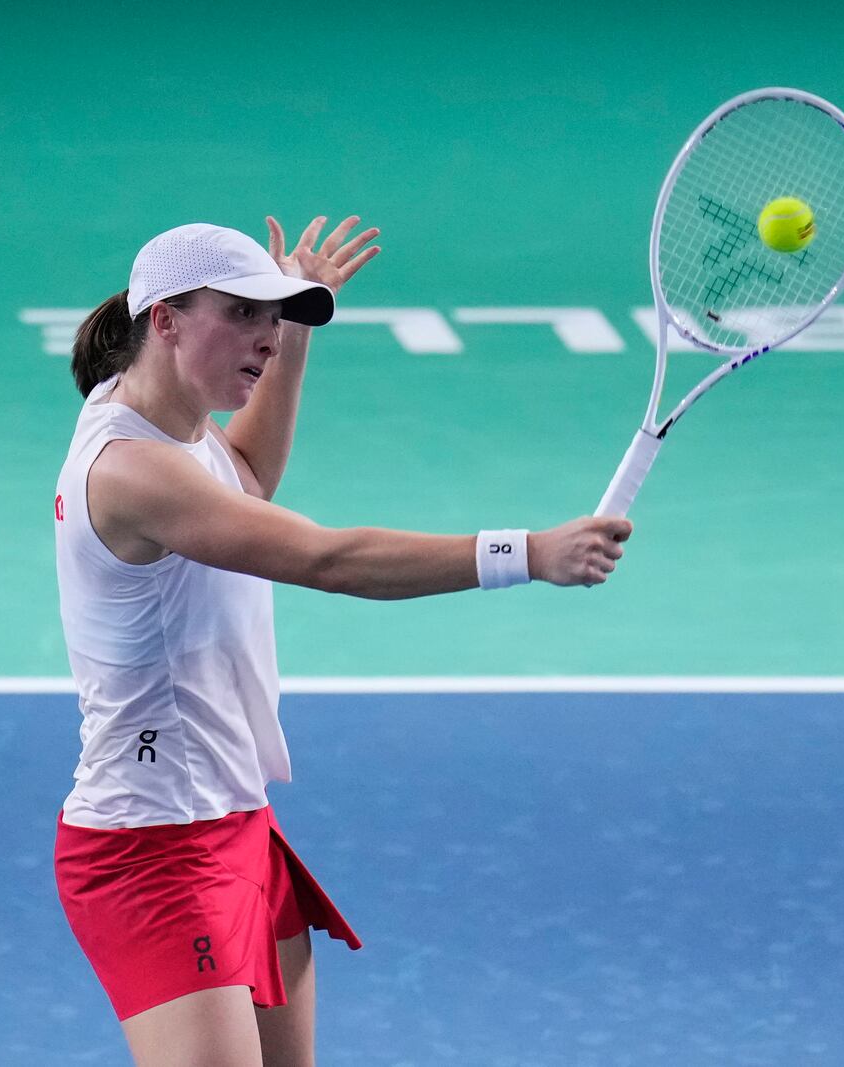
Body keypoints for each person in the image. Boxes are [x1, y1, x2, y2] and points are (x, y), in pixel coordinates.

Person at [52, 216, 632, 1067]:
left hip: (234, 819)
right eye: (244, 316)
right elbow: (326, 558)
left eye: (275, 319)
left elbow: (243, 480)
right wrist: (526, 553)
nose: (266, 339)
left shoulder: (156, 415)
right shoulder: (131, 470)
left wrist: (289, 334)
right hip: (152, 850)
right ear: (166, 317)